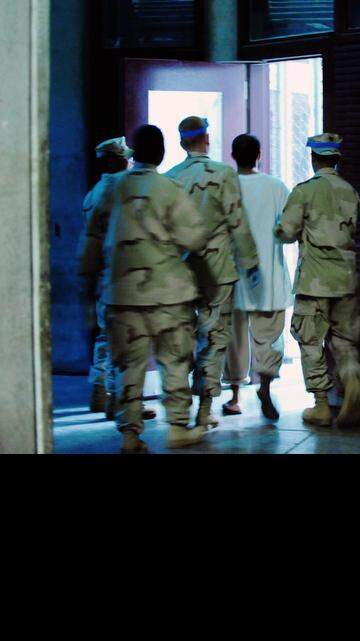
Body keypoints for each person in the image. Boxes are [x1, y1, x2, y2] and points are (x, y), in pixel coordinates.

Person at [78, 125, 209, 453]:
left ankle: (130, 435)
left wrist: (89, 285)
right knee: (175, 362)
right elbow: (195, 239)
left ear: (133, 154)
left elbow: (90, 243)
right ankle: (177, 427)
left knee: (128, 367)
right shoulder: (170, 189)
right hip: (169, 296)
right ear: (161, 154)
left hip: (121, 295)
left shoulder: (110, 189)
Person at [165, 116, 261, 429]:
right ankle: (205, 410)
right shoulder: (223, 174)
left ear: (182, 143)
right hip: (218, 272)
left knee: (180, 340)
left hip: (180, 273)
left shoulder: (170, 178)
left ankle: (179, 412)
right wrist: (250, 264)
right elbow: (238, 223)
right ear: (207, 138)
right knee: (215, 338)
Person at [273, 133, 360, 428]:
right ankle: (352, 378)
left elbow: (287, 232)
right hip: (346, 280)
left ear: (313, 159)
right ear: (337, 159)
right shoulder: (350, 192)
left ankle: (321, 406)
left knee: (310, 340)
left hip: (314, 281)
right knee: (344, 340)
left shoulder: (305, 191)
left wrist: (278, 229)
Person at [78, 136, 156, 422]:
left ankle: (101, 390)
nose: (130, 161)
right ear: (115, 159)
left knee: (105, 335)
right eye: (125, 157)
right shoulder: (125, 188)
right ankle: (121, 400)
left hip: (104, 275)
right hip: (128, 274)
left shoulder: (94, 193)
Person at [220, 134, 292, 420]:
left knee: (234, 340)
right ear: (259, 155)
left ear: (232, 156)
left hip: (233, 277)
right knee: (268, 338)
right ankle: (264, 388)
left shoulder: (225, 187)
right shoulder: (276, 187)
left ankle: (235, 397)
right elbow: (289, 228)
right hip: (268, 278)